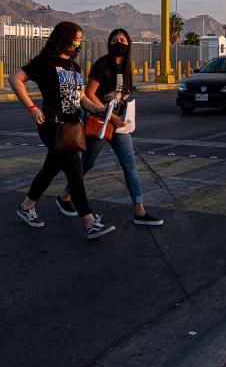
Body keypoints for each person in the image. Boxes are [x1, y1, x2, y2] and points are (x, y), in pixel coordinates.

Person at [9, 21, 117, 240]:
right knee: (74, 172)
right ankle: (89, 221)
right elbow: (15, 78)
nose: (78, 42)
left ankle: (26, 206)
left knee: (50, 169)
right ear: (64, 38)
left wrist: (99, 109)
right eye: (76, 38)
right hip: (52, 126)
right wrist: (31, 107)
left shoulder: (74, 67)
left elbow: (82, 98)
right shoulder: (45, 62)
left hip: (72, 126)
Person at [69, 28, 163, 226]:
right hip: (100, 120)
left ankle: (139, 209)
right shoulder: (103, 64)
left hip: (118, 121)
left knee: (129, 164)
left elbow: (123, 92)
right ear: (109, 44)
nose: (118, 42)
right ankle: (65, 196)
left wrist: (123, 106)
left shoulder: (127, 66)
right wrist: (108, 114)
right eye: (114, 40)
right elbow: (89, 93)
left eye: (122, 39)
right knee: (87, 164)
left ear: (129, 43)